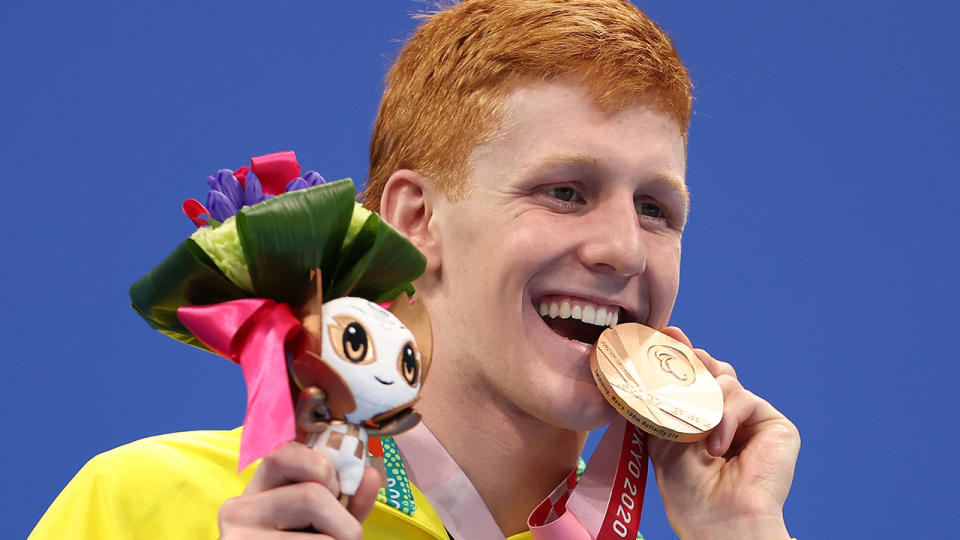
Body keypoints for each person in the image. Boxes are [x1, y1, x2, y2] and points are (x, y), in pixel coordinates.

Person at [32, 1, 800, 538]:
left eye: (657, 210)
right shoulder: (144, 506)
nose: (624, 250)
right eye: (565, 192)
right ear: (415, 220)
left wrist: (745, 532)